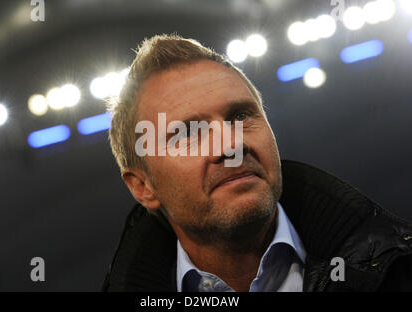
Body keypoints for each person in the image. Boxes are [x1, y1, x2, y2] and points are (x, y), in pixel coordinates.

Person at [102, 34, 412, 292]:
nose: (231, 145)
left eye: (240, 116)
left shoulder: (398, 265)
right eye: (189, 133)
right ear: (142, 186)